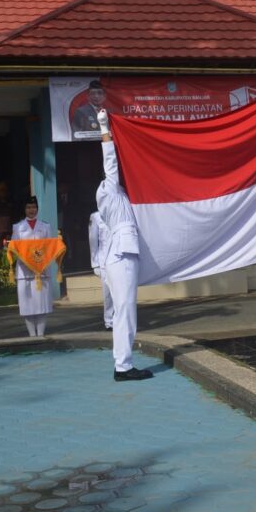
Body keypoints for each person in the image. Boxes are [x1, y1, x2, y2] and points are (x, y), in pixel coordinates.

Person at [96, 108, 152, 381]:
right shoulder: (110, 194)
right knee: (125, 311)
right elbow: (111, 163)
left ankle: (123, 364)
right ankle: (123, 366)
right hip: (121, 255)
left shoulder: (120, 201)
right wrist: (104, 127)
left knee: (123, 310)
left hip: (122, 255)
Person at [11, 196, 56, 337]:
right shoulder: (18, 227)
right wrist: (27, 262)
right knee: (27, 305)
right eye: (29, 207)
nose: (32, 210)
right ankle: (31, 335)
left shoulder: (45, 226)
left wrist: (40, 262)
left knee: (42, 304)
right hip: (25, 271)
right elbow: (14, 248)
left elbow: (50, 248)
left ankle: (41, 334)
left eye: (34, 207)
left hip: (41, 270)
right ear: (24, 209)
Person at [88, 210, 114, 330]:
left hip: (120, 258)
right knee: (107, 293)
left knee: (122, 293)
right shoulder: (96, 216)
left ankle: (120, 319)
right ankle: (109, 321)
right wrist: (95, 263)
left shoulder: (117, 213)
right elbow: (93, 241)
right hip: (104, 260)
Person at [0, 181, 15, 254]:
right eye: (0, 190)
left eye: (4, 190)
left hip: (8, 230)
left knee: (9, 251)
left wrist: (15, 229)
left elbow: (14, 216)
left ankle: (9, 265)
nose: (2, 192)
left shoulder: (10, 202)